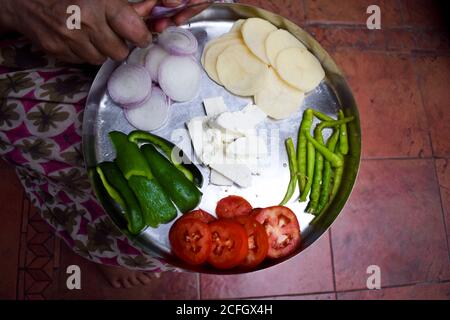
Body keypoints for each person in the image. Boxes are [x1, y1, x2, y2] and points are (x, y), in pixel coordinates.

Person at [0, 0, 232, 289]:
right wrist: (18, 8)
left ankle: (131, 250)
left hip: (146, 22)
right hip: (20, 42)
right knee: (82, 156)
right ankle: (108, 251)